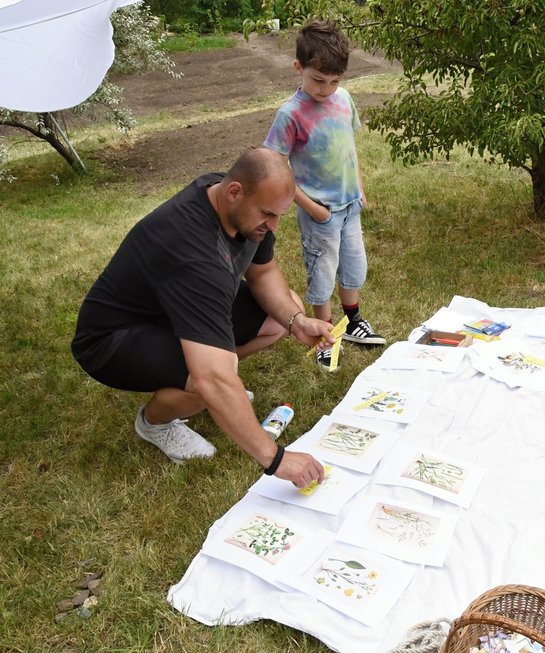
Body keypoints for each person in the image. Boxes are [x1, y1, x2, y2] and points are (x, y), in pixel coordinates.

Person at [72, 149, 332, 489]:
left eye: (280, 215)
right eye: (267, 214)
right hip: (112, 339)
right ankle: (155, 423)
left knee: (277, 318)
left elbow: (264, 271)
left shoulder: (228, 197)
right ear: (235, 192)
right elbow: (211, 378)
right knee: (208, 382)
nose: (273, 226)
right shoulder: (194, 255)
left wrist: (297, 321)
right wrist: (276, 459)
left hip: (170, 309)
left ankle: (216, 382)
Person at [263, 20, 386, 373]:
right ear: (298, 67)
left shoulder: (343, 98)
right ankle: (325, 334)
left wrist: (358, 186)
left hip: (349, 206)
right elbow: (276, 168)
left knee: (353, 266)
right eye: (319, 80)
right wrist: (312, 208)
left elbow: (350, 148)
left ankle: (353, 321)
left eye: (335, 81)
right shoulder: (290, 114)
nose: (327, 89)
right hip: (320, 212)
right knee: (322, 274)